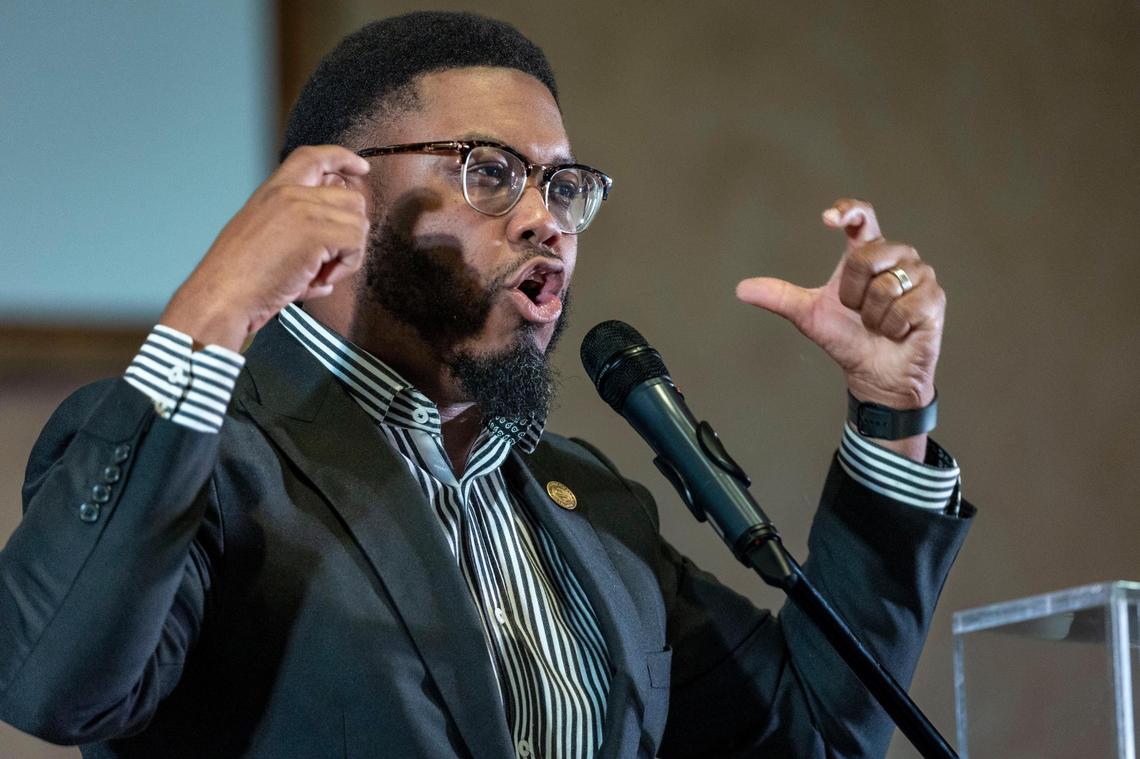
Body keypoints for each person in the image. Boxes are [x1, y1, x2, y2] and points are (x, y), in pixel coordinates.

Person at [0, 11, 972, 759]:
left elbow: (810, 732)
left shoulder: (592, 504)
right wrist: (210, 312)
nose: (548, 219)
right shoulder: (211, 460)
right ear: (340, 193)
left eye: (564, 186)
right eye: (494, 172)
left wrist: (893, 414)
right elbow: (54, 684)